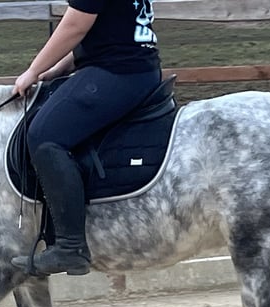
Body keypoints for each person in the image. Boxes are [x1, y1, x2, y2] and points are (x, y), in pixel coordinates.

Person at [11, 0, 162, 276]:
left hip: (117, 73)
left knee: (45, 136)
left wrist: (32, 71)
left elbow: (75, 26)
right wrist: (58, 68)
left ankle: (70, 248)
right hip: (136, 69)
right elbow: (104, 27)